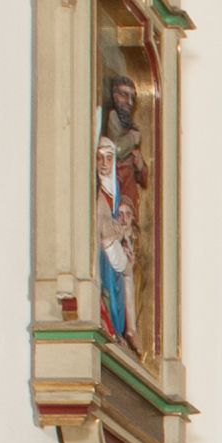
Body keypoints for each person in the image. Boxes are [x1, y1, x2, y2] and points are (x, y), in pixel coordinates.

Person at [95, 136, 135, 344]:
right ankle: (116, 326)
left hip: (112, 242)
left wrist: (124, 235)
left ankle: (129, 329)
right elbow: (103, 226)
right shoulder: (98, 193)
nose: (104, 164)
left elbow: (117, 221)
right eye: (100, 158)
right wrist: (119, 231)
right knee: (120, 269)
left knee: (127, 268)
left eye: (109, 158)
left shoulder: (114, 190)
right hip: (103, 245)